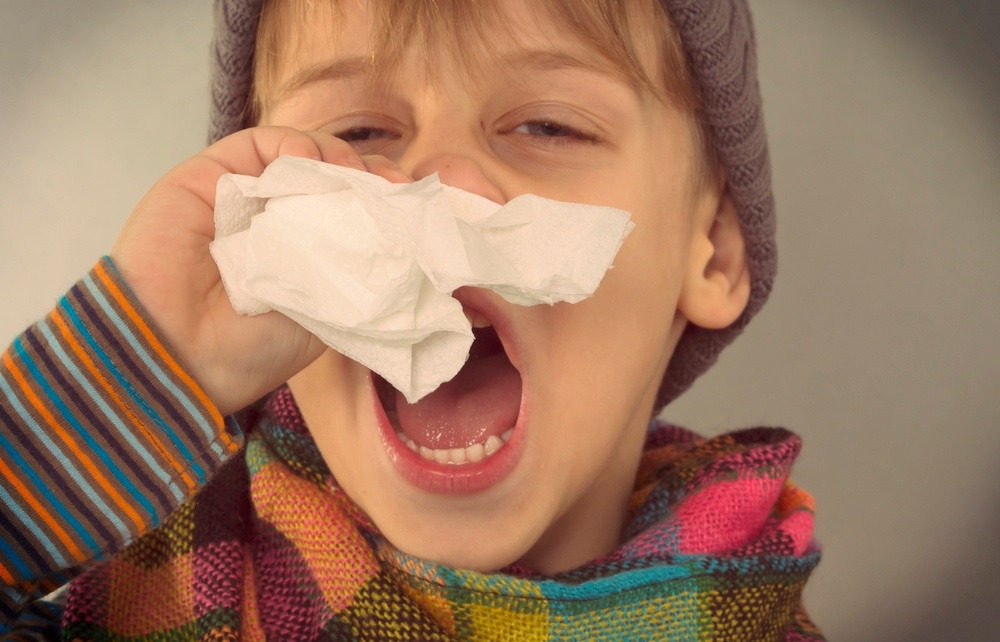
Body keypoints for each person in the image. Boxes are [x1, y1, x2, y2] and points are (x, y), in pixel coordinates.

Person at [0, 0, 823, 639]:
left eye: (550, 127)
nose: (445, 183)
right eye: (358, 132)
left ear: (713, 252)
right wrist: (134, 362)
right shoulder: (129, 613)